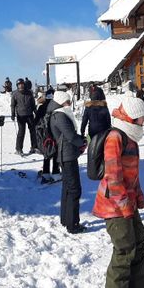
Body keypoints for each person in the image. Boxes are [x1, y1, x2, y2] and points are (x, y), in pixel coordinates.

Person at [92, 97, 144, 288]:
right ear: (132, 118)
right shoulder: (115, 138)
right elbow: (114, 177)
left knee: (139, 243)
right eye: (141, 116)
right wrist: (125, 205)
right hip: (114, 205)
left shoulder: (130, 136)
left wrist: (138, 196)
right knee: (125, 250)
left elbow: (131, 174)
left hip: (128, 202)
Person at [48, 91, 87, 234]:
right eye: (67, 101)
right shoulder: (59, 115)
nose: (69, 104)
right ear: (61, 102)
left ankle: (66, 219)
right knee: (74, 189)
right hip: (67, 155)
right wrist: (82, 141)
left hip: (67, 154)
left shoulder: (58, 113)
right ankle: (73, 224)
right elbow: (70, 135)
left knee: (67, 189)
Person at [35, 91, 60, 184]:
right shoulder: (57, 107)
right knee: (56, 153)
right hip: (55, 133)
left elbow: (35, 122)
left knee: (46, 153)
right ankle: (56, 173)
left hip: (44, 135)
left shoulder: (41, 107)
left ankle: (46, 173)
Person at [11, 78, 36, 155]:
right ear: (17, 86)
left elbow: (33, 104)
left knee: (33, 131)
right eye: (19, 85)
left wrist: (36, 112)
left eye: (22, 84)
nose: (21, 86)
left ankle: (34, 147)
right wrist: (13, 114)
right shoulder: (15, 94)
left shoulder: (29, 93)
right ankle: (19, 149)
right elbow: (13, 105)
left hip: (29, 115)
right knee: (21, 132)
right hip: (20, 116)